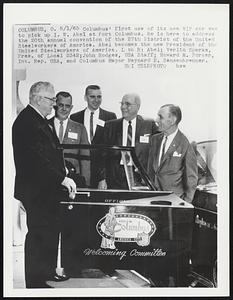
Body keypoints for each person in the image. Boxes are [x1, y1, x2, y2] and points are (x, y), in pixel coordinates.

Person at [12, 81, 76, 288]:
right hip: (39, 192)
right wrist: (62, 178)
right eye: (51, 100)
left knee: (48, 234)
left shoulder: (36, 119)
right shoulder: (28, 122)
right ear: (38, 99)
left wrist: (63, 170)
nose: (54, 105)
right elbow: (38, 160)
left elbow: (48, 154)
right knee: (40, 236)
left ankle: (47, 273)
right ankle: (36, 281)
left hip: (44, 190)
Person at [98, 93, 159, 189]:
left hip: (140, 178)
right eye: (121, 104)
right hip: (115, 178)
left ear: (138, 106)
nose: (123, 107)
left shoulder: (149, 125)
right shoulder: (110, 126)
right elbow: (102, 155)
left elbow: (157, 153)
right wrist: (102, 179)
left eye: (127, 104)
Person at [147, 104, 198, 203]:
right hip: (153, 199)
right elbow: (151, 170)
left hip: (175, 202)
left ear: (173, 120)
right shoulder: (155, 139)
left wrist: (185, 204)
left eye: (160, 117)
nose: (156, 120)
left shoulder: (187, 143)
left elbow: (191, 179)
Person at [70, 85, 117, 187]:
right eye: (92, 97)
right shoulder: (75, 117)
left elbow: (111, 152)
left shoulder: (110, 117)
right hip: (80, 172)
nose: (96, 100)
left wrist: (103, 177)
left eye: (99, 97)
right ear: (85, 98)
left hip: (102, 175)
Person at [49, 91, 90, 187]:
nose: (64, 109)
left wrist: (86, 183)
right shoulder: (45, 125)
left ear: (71, 107)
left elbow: (86, 160)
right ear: (55, 105)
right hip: (50, 179)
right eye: (61, 105)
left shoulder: (80, 129)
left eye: (67, 106)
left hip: (74, 180)